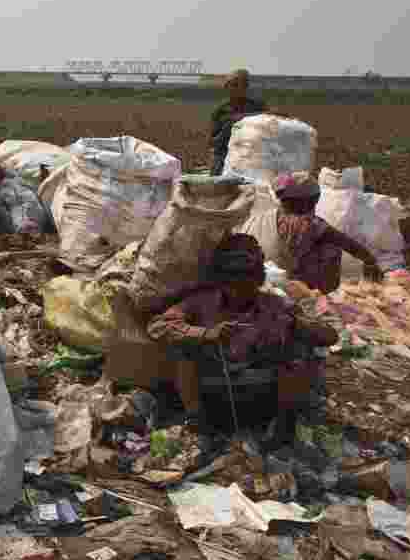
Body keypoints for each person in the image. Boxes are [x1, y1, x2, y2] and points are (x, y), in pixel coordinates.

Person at [147, 234, 338, 451]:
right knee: (183, 351)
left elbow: (329, 336)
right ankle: (198, 425)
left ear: (257, 279)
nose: (238, 288)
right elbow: (157, 327)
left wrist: (294, 323)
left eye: (246, 280)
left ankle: (282, 430)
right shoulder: (200, 302)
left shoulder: (274, 304)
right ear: (220, 279)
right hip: (211, 391)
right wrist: (205, 334)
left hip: (262, 392)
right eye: (232, 280)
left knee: (299, 353)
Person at [270, 171, 383, 293]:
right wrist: (370, 261)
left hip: (281, 279)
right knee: (330, 247)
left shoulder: (276, 218)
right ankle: (325, 292)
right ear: (311, 202)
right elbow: (347, 243)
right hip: (305, 287)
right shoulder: (313, 225)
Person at [209, 69, 267, 176]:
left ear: (245, 87)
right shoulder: (220, 111)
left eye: (240, 85)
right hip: (226, 155)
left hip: (253, 155)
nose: (236, 89)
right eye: (232, 85)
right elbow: (213, 141)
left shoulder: (257, 107)